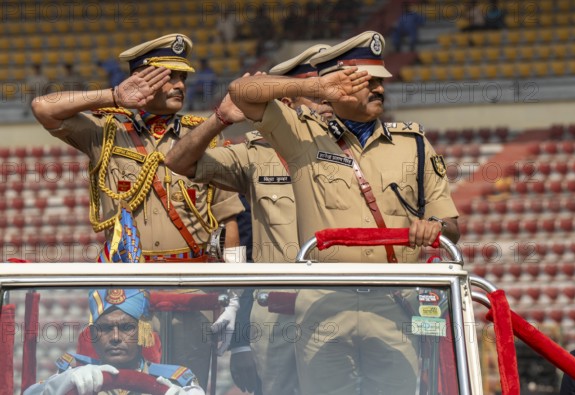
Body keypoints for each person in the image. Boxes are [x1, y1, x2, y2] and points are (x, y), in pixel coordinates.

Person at [228, 31, 460, 395]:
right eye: (368, 82)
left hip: (392, 302)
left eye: (381, 82)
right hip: (323, 302)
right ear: (341, 84)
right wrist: (321, 88)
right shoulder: (300, 136)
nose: (380, 89)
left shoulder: (414, 145)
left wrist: (434, 227)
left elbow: (451, 226)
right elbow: (242, 93)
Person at [31, 33, 245, 386]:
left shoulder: (204, 136)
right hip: (127, 298)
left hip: (190, 292)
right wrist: (113, 95)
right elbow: (43, 107)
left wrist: (234, 293)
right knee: (127, 387)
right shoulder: (106, 132)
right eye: (170, 77)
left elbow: (228, 221)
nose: (180, 85)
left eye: (183, 78)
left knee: (187, 386)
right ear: (144, 79)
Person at [165, 44, 333, 395]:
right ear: (287, 102)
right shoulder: (255, 157)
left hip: (340, 306)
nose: (327, 105)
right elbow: (243, 253)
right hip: (276, 315)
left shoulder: (353, 151)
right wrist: (241, 338)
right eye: (317, 97)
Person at [24, 288, 205, 395]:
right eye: (105, 329)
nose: (116, 337)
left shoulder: (174, 380)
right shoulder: (74, 372)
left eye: (126, 328)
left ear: (143, 332)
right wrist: (62, 383)